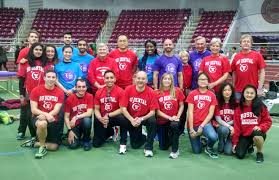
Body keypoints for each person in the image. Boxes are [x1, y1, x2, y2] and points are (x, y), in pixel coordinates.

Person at [120, 71, 158, 157]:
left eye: (143, 79)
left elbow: (152, 112)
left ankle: (149, 148)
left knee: (153, 120)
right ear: (135, 79)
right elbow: (123, 108)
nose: (140, 80)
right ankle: (143, 136)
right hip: (132, 118)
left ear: (147, 80)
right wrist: (131, 120)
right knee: (135, 145)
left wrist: (141, 119)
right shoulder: (128, 89)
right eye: (138, 78)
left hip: (144, 118)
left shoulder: (151, 92)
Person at [232, 84, 272, 163]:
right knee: (239, 155)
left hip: (257, 133)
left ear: (255, 94)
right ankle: (249, 145)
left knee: (257, 135)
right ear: (243, 93)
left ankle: (259, 152)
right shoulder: (239, 108)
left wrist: (261, 127)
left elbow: (268, 121)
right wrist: (235, 143)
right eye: (247, 93)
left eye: (251, 93)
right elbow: (237, 127)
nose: (249, 95)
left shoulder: (261, 106)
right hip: (245, 135)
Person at [29, 69, 64, 158]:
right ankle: (42, 147)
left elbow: (56, 110)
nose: (51, 79)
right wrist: (45, 115)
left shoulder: (60, 92)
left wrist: (47, 115)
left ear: (56, 79)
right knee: (42, 124)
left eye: (53, 77)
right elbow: (33, 109)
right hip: (38, 118)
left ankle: (36, 143)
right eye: (48, 77)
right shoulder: (36, 90)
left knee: (54, 147)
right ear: (44, 78)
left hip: (52, 119)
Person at [93, 70, 128, 154]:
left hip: (114, 116)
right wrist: (100, 118)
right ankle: (110, 132)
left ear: (115, 79)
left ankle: (123, 143)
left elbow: (122, 109)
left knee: (123, 119)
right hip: (103, 118)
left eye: (111, 78)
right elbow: (96, 109)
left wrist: (108, 115)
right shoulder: (99, 92)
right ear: (104, 80)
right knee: (96, 144)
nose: (109, 80)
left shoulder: (120, 91)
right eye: (107, 78)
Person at [16, 43, 45, 140]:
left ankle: (39, 134)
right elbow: (21, 81)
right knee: (28, 115)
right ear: (32, 50)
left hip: (42, 95)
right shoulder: (25, 63)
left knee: (40, 116)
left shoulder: (45, 63)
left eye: (40, 50)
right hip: (29, 94)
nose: (38, 51)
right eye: (36, 49)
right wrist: (21, 95)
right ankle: (33, 135)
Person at [186, 72, 218, 158]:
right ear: (197, 81)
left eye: (205, 79)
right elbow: (190, 112)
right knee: (196, 151)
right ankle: (202, 140)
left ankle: (209, 147)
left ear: (208, 82)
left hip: (205, 124)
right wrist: (191, 129)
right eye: (201, 79)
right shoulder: (192, 94)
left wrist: (202, 126)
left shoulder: (212, 95)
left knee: (213, 137)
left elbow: (211, 114)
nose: (203, 81)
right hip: (193, 124)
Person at [155, 73, 185, 159]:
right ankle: (170, 139)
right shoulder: (157, 93)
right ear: (161, 80)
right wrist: (169, 117)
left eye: (169, 79)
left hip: (174, 119)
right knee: (163, 147)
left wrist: (178, 116)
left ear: (172, 81)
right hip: (162, 121)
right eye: (165, 79)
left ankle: (175, 150)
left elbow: (181, 105)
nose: (167, 80)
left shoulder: (177, 91)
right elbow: (157, 111)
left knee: (174, 125)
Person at [231, 34, 266, 100]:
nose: (246, 43)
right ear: (240, 44)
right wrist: (233, 86)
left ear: (251, 44)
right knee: (238, 109)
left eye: (248, 41)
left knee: (253, 109)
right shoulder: (236, 56)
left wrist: (260, 88)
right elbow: (234, 73)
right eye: (244, 41)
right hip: (238, 90)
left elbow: (262, 72)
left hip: (252, 89)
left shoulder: (257, 55)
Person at [64, 79, 93, 151]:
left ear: (86, 88)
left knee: (87, 120)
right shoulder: (70, 99)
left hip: (83, 123)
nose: (81, 89)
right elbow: (66, 117)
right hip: (74, 125)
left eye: (83, 87)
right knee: (73, 146)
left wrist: (76, 117)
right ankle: (77, 136)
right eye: (79, 87)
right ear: (75, 88)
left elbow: (89, 113)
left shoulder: (90, 96)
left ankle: (86, 140)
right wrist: (70, 130)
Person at [214, 82, 236, 155]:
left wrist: (230, 127)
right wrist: (228, 126)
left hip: (232, 129)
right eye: (225, 90)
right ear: (221, 92)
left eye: (229, 90)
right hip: (222, 127)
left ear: (232, 91)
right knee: (223, 129)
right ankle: (221, 141)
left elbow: (236, 118)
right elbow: (218, 119)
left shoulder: (236, 103)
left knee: (228, 152)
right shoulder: (217, 102)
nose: (227, 92)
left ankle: (229, 140)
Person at [178, 50, 192, 135]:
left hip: (189, 91)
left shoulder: (190, 67)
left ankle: (185, 128)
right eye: (182, 56)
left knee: (188, 110)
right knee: (181, 111)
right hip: (181, 90)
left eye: (186, 56)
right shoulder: (179, 67)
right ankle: (179, 129)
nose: (184, 58)